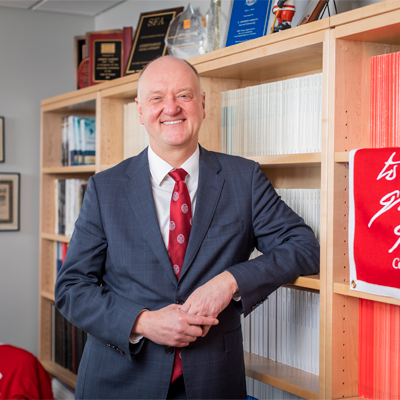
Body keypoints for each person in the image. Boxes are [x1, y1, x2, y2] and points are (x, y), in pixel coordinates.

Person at [55, 55, 320, 400]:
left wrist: (230, 282)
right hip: (118, 382)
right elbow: (72, 288)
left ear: (203, 104)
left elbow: (302, 247)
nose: (172, 108)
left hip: (211, 383)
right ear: (140, 110)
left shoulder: (244, 179)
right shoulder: (106, 188)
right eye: (157, 98)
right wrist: (143, 322)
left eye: (184, 95)